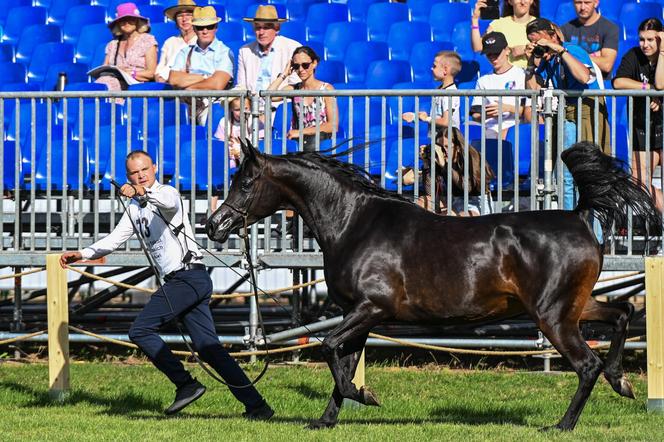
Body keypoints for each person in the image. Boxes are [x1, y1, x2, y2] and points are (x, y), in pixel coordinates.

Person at [59, 151, 274, 420]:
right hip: (183, 282)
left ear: (155, 168)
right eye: (134, 173)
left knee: (139, 330)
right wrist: (82, 253)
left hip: (188, 277)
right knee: (209, 348)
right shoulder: (135, 209)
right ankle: (258, 406)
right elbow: (114, 239)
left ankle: (186, 384)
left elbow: (165, 200)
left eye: (144, 170)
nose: (140, 176)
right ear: (127, 176)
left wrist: (140, 192)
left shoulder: (167, 193)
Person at [525, 18, 609, 211]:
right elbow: (533, 88)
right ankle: (571, 224)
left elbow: (584, 77)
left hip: (588, 108)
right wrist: (531, 61)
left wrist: (559, 49)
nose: (540, 48)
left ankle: (595, 233)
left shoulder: (573, 50)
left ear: (553, 36)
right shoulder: (548, 60)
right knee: (566, 171)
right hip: (566, 110)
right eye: (534, 43)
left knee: (589, 170)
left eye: (541, 42)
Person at [613, 18, 664, 212]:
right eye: (642, 39)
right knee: (640, 185)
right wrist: (647, 88)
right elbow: (618, 83)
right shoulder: (633, 55)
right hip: (642, 127)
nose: (645, 44)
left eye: (651, 39)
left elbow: (661, 84)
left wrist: (663, 52)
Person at [168, 6, 234, 124]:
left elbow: (217, 84)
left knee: (207, 121)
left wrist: (189, 88)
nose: (205, 31)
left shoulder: (225, 52)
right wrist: (205, 77)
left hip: (213, 105)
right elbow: (173, 79)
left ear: (216, 27)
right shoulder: (185, 51)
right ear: (194, 28)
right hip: (187, 105)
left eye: (209, 26)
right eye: (200, 27)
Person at [267, 46, 338, 151]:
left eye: (305, 65)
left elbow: (333, 125)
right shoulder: (294, 88)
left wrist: (301, 132)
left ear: (314, 63)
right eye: (296, 66)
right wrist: (284, 74)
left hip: (320, 145)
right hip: (299, 145)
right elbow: (269, 96)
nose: (300, 69)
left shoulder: (326, 89)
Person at [411, 127, 494, 216]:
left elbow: (467, 187)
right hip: (450, 201)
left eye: (447, 146)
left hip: (474, 203)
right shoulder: (438, 159)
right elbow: (430, 192)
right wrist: (426, 164)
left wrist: (445, 166)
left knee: (459, 218)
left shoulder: (473, 159)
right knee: (422, 202)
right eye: (440, 147)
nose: (443, 150)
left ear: (458, 147)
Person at [236, 5, 301, 114]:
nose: (261, 32)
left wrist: (273, 99)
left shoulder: (292, 48)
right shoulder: (245, 51)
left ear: (277, 29)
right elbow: (241, 86)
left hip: (281, 110)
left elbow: (296, 85)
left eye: (266, 27)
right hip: (252, 110)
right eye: (257, 27)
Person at [471, 32, 528, 139]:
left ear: (507, 51)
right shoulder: (483, 80)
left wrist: (507, 108)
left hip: (515, 129)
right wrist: (490, 114)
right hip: (490, 129)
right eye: (489, 54)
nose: (493, 58)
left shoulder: (522, 75)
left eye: (496, 53)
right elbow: (475, 114)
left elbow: (528, 111)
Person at [96, 2, 158, 91]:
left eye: (131, 19)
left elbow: (152, 72)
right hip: (113, 81)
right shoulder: (112, 44)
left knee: (106, 85)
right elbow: (105, 68)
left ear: (137, 21)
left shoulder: (148, 40)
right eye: (122, 20)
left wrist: (131, 73)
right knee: (100, 84)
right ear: (118, 23)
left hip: (137, 86)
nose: (126, 23)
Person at [560, 0, 620, 81]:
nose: (582, 7)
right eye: (578, 2)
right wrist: (595, 56)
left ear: (596, 3)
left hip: (601, 86)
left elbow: (606, 65)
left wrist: (572, 56)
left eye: (587, 2)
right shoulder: (565, 29)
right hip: (574, 85)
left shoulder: (610, 28)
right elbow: (562, 59)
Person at [402, 51, 461, 129]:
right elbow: (438, 117)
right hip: (436, 138)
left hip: (447, 140)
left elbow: (446, 122)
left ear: (445, 70)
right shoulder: (439, 90)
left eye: (434, 66)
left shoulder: (450, 93)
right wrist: (418, 117)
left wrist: (427, 119)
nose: (431, 68)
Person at [471, 0, 538, 68]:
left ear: (531, 1)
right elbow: (478, 47)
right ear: (510, 1)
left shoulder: (540, 25)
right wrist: (475, 19)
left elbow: (547, 52)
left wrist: (527, 49)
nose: (522, 2)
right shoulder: (499, 24)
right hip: (506, 76)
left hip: (531, 75)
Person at [155, 0, 198, 83]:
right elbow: (159, 70)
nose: (184, 19)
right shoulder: (170, 42)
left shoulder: (201, 41)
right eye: (180, 16)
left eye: (189, 15)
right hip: (168, 86)